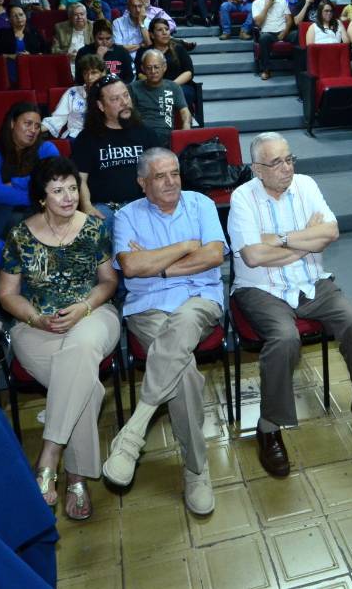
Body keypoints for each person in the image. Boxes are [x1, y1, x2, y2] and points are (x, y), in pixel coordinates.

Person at [229, 133, 352, 476]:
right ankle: (269, 427)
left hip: (312, 282)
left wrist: (281, 239)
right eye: (276, 162)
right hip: (261, 289)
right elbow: (253, 256)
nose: (287, 168)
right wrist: (307, 241)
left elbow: (331, 232)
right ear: (257, 169)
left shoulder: (306, 185)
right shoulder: (243, 197)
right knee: (284, 338)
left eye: (289, 159)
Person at [101, 148, 225, 515]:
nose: (171, 182)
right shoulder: (127, 215)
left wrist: (160, 265)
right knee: (184, 375)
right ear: (143, 183)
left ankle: (134, 430)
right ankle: (197, 469)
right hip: (149, 308)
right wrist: (186, 247)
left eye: (175, 173)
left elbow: (214, 255)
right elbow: (131, 267)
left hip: (199, 300)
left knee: (184, 321)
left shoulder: (201, 204)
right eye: (160, 176)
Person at [0, 157, 121, 521]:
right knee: (85, 386)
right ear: (41, 197)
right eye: (57, 190)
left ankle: (50, 454)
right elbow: (6, 294)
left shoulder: (95, 228)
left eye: (72, 188)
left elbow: (109, 282)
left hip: (93, 316)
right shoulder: (19, 235)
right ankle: (77, 478)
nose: (68, 197)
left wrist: (83, 307)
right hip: (36, 327)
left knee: (81, 348)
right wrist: (36, 318)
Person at [71, 75, 163, 231]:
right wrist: (86, 206)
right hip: (105, 208)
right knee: (92, 229)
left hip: (142, 205)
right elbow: (80, 179)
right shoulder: (87, 138)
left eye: (126, 95)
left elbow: (160, 172)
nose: (124, 102)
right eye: (115, 99)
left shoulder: (147, 133)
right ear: (101, 106)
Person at [0, 102, 60, 250]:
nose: (33, 130)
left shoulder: (46, 149)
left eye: (37, 126)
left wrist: (16, 183)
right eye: (28, 124)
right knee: (13, 219)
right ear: (12, 123)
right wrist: (38, 195)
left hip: (40, 212)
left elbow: (54, 179)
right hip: (2, 214)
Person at [131, 50, 191, 144]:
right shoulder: (132, 88)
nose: (153, 71)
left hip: (168, 138)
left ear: (164, 67)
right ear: (143, 68)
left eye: (156, 67)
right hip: (142, 137)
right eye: (149, 68)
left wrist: (186, 125)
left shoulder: (174, 87)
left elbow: (184, 111)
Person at [44, 54, 105, 142]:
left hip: (101, 137)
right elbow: (59, 118)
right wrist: (37, 129)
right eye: (85, 73)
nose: (89, 77)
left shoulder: (108, 93)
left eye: (94, 73)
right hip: (75, 136)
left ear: (102, 74)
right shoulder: (73, 92)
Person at [143, 19, 197, 116]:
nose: (165, 32)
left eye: (167, 29)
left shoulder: (179, 49)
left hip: (178, 86)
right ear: (152, 35)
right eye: (160, 30)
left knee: (177, 93)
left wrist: (170, 86)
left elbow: (189, 72)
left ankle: (175, 121)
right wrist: (155, 86)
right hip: (152, 87)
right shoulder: (145, 52)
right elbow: (140, 73)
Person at [252, 0, 293, 82]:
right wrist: (267, 6)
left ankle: (300, 67)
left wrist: (285, 32)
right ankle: (266, 70)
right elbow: (258, 23)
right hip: (268, 33)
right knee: (263, 38)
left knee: (298, 35)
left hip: (283, 31)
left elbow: (289, 20)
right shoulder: (256, 3)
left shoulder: (282, 1)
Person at [0, 5, 45, 83]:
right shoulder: (2, 33)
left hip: (32, 67)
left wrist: (31, 55)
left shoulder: (34, 32)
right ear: (10, 19)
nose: (19, 18)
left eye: (21, 14)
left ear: (25, 16)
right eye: (15, 16)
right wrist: (11, 56)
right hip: (8, 68)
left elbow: (44, 52)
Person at [75, 19, 135, 83]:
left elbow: (131, 76)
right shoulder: (83, 52)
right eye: (100, 39)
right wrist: (98, 57)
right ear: (94, 37)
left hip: (117, 87)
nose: (104, 42)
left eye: (108, 38)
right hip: (92, 87)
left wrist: (120, 86)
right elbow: (80, 79)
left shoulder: (122, 52)